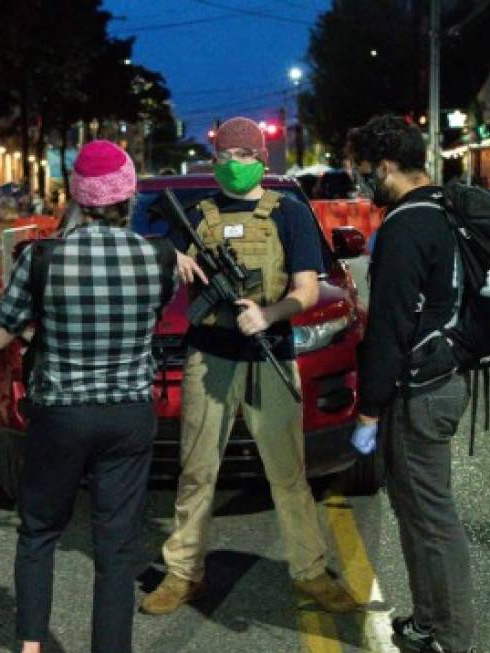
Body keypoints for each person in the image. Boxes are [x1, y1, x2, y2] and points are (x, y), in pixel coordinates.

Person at [141, 117, 356, 616]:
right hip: (209, 356)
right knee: (196, 471)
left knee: (288, 472)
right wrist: (169, 254)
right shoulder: (196, 214)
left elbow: (305, 289)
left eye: (242, 156)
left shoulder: (289, 213)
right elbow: (144, 246)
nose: (232, 166)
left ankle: (311, 571)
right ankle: (182, 573)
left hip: (270, 354)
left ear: (261, 158)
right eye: (223, 157)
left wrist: (269, 314)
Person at [0, 141, 177, 653]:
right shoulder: (158, 257)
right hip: (129, 412)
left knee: (39, 530)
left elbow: (0, 336)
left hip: (61, 413)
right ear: (128, 196)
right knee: (116, 542)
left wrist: (33, 326)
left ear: (76, 197)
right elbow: (152, 317)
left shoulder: (41, 257)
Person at [346, 115, 478, 653]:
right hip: (443, 377)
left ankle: (454, 649)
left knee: (430, 517)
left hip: (420, 390)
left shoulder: (404, 225)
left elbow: (390, 325)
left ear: (387, 167)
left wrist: (369, 407)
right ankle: (428, 623)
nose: (359, 182)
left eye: (362, 171)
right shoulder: (443, 210)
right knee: (414, 511)